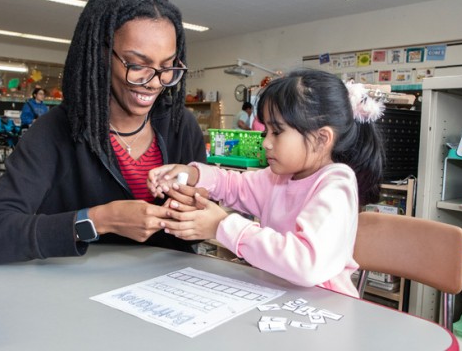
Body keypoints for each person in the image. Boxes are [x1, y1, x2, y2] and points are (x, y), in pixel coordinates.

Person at [0, 0, 207, 263]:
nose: (154, 82)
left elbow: (198, 231)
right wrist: (97, 220)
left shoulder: (181, 126)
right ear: (101, 54)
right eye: (137, 65)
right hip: (77, 295)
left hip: (169, 291)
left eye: (167, 67)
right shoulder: (55, 131)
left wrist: (197, 215)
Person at [148, 69, 386, 297]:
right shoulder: (277, 178)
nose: (266, 143)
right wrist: (194, 174)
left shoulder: (336, 185)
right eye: (266, 132)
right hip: (278, 294)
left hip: (324, 307)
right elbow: (235, 185)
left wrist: (222, 225)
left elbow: (306, 264)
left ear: (321, 138)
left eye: (277, 132)